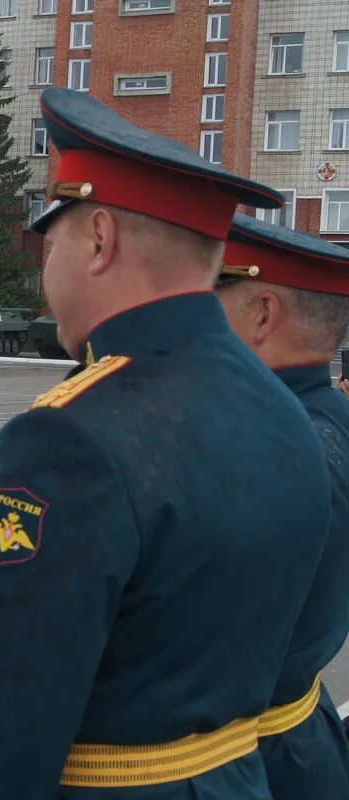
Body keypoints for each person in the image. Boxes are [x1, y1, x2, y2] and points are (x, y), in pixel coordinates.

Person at [0, 88, 332, 799]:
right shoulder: (283, 406)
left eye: (52, 244)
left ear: (99, 239)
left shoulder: (67, 439)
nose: (47, 273)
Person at [214, 214, 349, 800]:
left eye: (209, 298)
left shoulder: (275, 446)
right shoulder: (326, 419)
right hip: (298, 737)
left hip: (247, 760)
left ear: (264, 315)